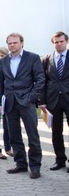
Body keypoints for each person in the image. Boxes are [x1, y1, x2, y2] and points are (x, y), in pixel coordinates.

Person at [0, 32, 45, 179]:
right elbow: (0, 84)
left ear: (21, 43)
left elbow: (40, 80)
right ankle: (21, 164)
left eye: (14, 42)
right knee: (14, 136)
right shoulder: (3, 62)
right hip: (10, 103)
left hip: (27, 102)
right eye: (9, 43)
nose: (12, 45)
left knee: (33, 136)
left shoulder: (33, 58)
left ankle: (35, 167)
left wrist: (30, 98)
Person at [40, 31, 69, 172]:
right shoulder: (46, 59)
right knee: (56, 132)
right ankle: (60, 160)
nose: (58, 44)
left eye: (61, 41)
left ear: (66, 41)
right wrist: (42, 102)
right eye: (55, 42)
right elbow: (43, 82)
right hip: (53, 101)